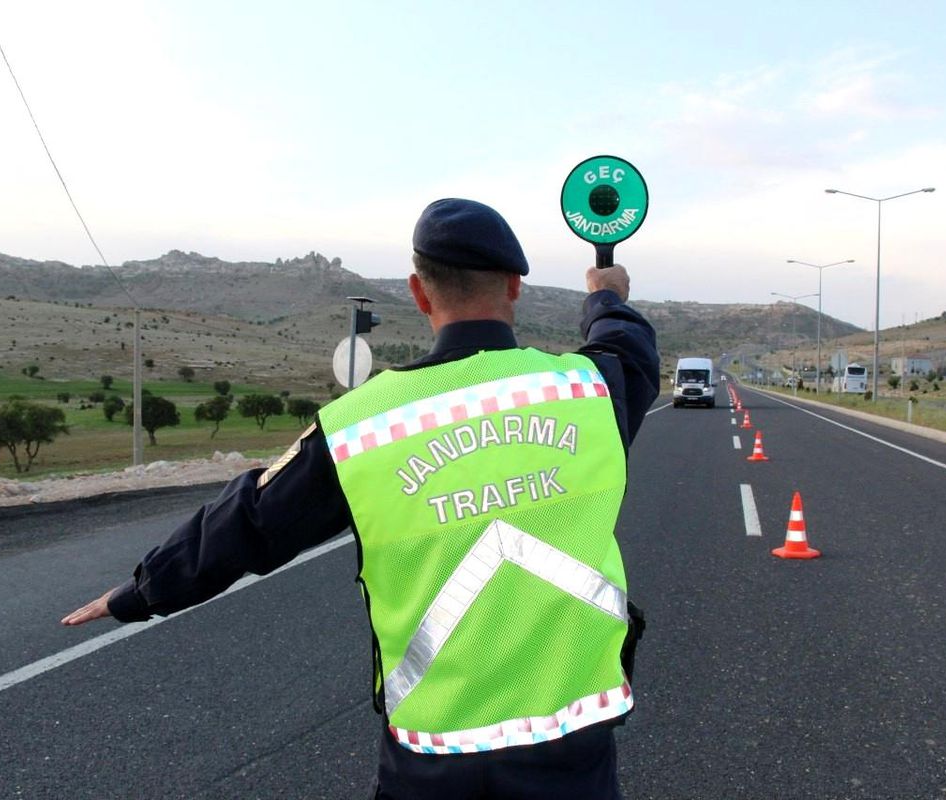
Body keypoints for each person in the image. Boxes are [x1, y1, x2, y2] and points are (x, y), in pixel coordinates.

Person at [63, 198, 660, 799]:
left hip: (434, 752)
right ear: (514, 286)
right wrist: (605, 296)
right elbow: (626, 346)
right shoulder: (590, 391)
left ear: (418, 293)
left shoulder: (359, 427)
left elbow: (246, 523)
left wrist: (138, 593)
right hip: (572, 739)